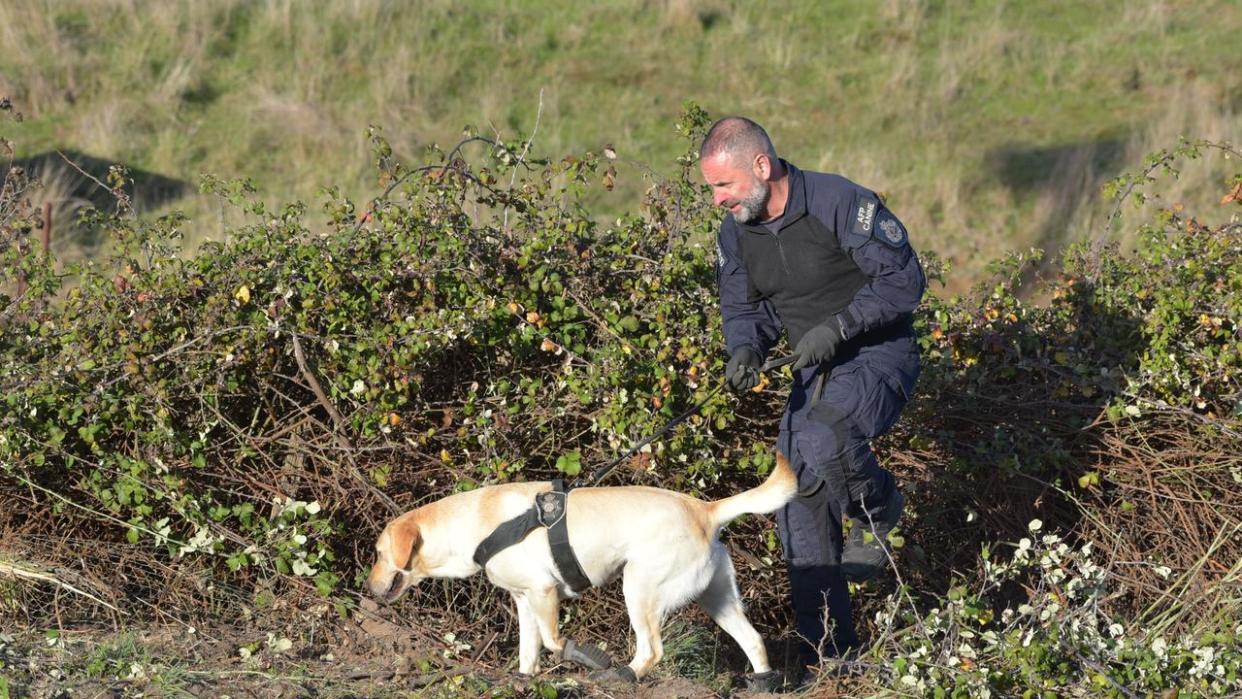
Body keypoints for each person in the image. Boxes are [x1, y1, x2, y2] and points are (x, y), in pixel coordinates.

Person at [700, 117, 925, 674]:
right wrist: (744, 349)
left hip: (877, 357)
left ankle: (879, 512)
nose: (717, 199)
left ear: (761, 166)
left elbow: (905, 281)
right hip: (814, 373)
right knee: (794, 493)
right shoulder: (736, 232)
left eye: (723, 186)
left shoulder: (840, 202)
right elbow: (743, 308)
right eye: (711, 189)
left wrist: (841, 326)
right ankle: (831, 656)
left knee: (826, 433)